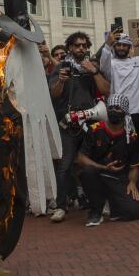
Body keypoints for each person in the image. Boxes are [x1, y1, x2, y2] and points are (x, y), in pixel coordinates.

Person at [48, 32, 106, 222]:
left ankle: (98, 201)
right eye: (77, 45)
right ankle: (60, 206)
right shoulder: (61, 67)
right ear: (70, 48)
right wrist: (61, 81)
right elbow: (54, 95)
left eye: (84, 45)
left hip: (90, 121)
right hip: (69, 124)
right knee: (65, 166)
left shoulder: (92, 66)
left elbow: (106, 90)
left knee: (93, 162)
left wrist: (94, 72)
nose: (81, 48)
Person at [98, 31, 139, 197]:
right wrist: (107, 44)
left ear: (130, 47)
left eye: (125, 45)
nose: (122, 47)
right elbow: (102, 64)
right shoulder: (110, 64)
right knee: (122, 155)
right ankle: (124, 193)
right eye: (119, 45)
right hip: (120, 117)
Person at [76, 94, 139, 227]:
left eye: (117, 108)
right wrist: (102, 167)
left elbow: (134, 165)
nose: (113, 110)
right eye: (110, 107)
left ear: (124, 112)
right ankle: (95, 211)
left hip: (118, 179)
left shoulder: (131, 136)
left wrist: (132, 182)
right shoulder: (95, 129)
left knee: (134, 212)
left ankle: (113, 204)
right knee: (87, 171)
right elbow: (81, 157)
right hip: (98, 175)